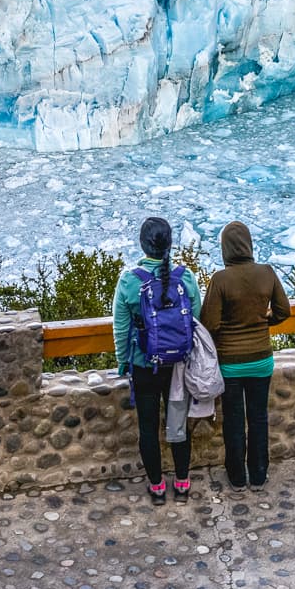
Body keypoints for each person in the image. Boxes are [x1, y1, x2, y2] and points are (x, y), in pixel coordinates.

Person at [112, 216, 201, 505]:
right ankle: (183, 482)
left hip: (143, 364)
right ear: (170, 244)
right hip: (177, 364)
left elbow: (121, 328)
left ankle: (158, 487)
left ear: (142, 244)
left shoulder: (129, 281)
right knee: (177, 423)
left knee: (148, 427)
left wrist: (123, 363)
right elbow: (196, 319)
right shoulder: (184, 277)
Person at [200, 221, 291, 489]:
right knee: (259, 417)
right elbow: (284, 311)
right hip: (262, 359)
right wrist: (264, 322)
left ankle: (237, 476)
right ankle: (259, 473)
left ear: (225, 248)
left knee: (234, 420)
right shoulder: (267, 273)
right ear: (249, 244)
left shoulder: (220, 279)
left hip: (230, 364)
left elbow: (210, 324)